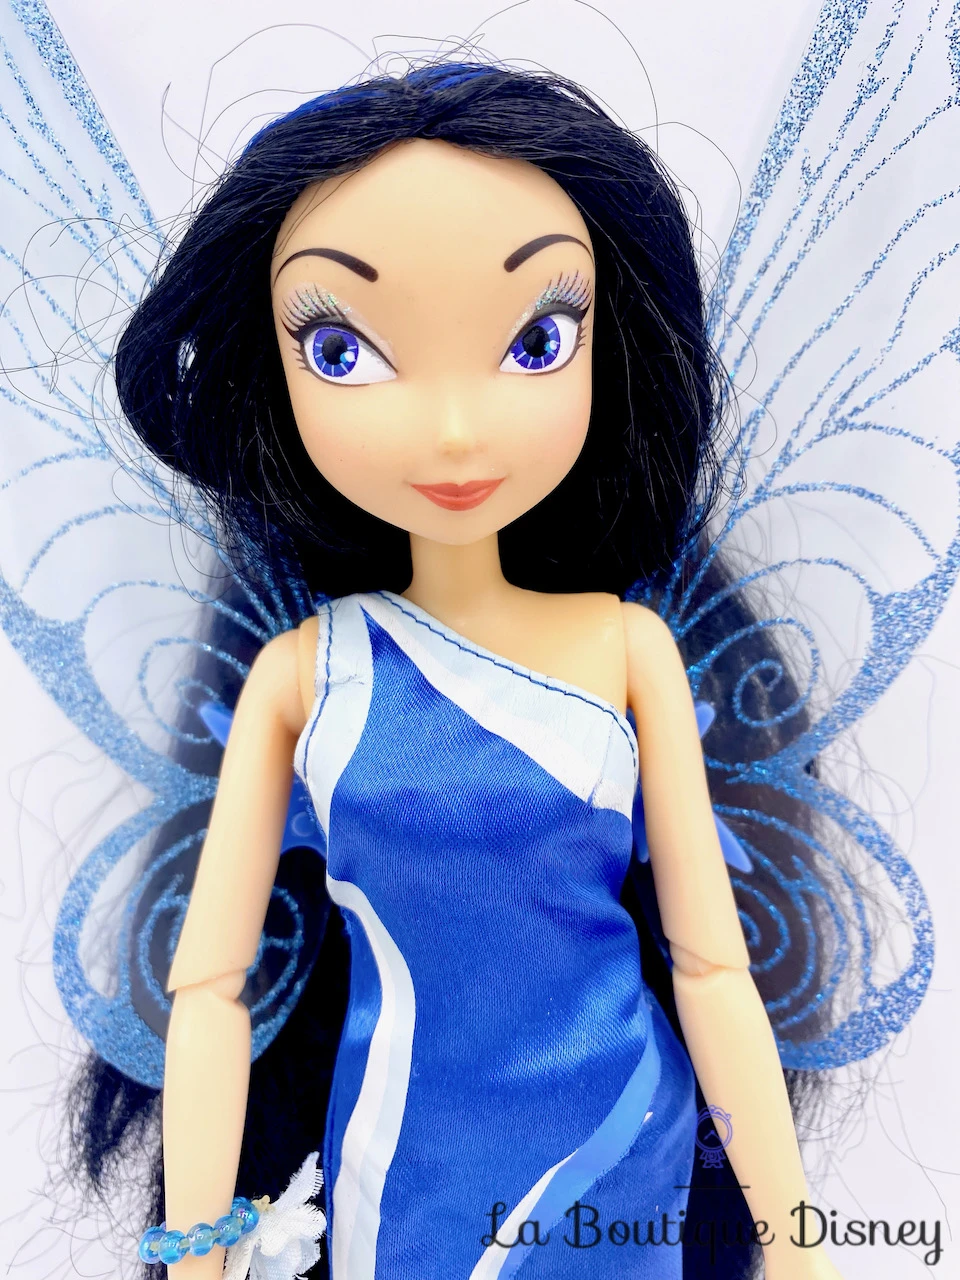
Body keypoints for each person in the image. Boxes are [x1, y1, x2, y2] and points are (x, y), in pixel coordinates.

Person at [102, 63, 852, 1279]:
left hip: (616, 1136)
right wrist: (195, 1249)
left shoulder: (627, 648)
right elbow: (209, 992)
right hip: (402, 1151)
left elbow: (714, 967)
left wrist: (798, 1241)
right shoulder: (303, 676)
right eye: (342, 348)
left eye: (535, 340)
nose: (454, 428)